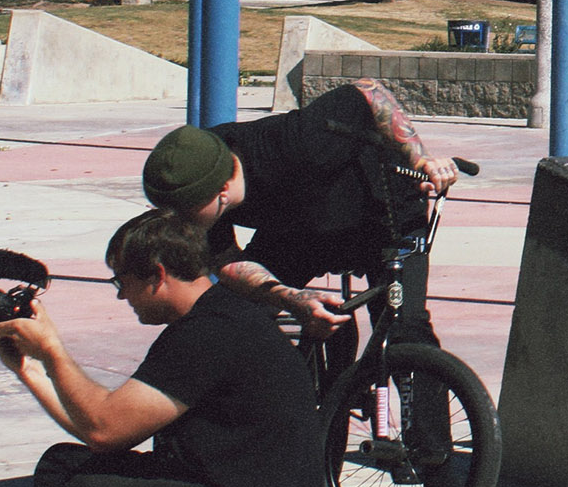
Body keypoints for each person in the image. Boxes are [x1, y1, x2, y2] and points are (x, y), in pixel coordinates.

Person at [0, 209, 325, 487]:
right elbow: (100, 432)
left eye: (122, 281)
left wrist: (53, 350)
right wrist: (30, 370)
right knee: (61, 468)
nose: (121, 294)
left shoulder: (210, 334)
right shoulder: (215, 315)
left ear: (157, 275)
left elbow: (105, 430)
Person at [139, 78, 460, 346]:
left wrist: (421, 159)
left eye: (187, 214)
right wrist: (288, 297)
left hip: (384, 211)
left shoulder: (296, 142)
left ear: (221, 192)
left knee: (405, 330)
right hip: (299, 230)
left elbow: (367, 92)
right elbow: (227, 262)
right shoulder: (196, 173)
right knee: (229, 317)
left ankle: (421, 415)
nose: (183, 224)